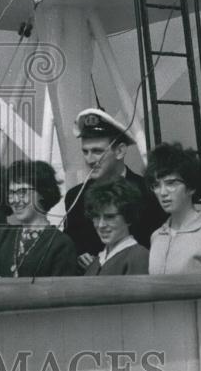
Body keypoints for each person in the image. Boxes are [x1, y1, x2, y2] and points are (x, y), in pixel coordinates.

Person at [63, 108, 165, 269]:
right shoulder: (75, 197)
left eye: (97, 151)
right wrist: (79, 255)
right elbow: (71, 244)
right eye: (85, 152)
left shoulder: (149, 193)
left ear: (120, 151)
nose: (90, 159)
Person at [145, 142, 201, 274]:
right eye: (156, 185)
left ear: (191, 187)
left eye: (171, 183)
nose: (163, 192)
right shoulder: (157, 236)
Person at [81, 178, 150, 276]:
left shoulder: (138, 256)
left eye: (110, 217)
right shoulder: (96, 261)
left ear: (128, 217)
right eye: (96, 217)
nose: (101, 225)